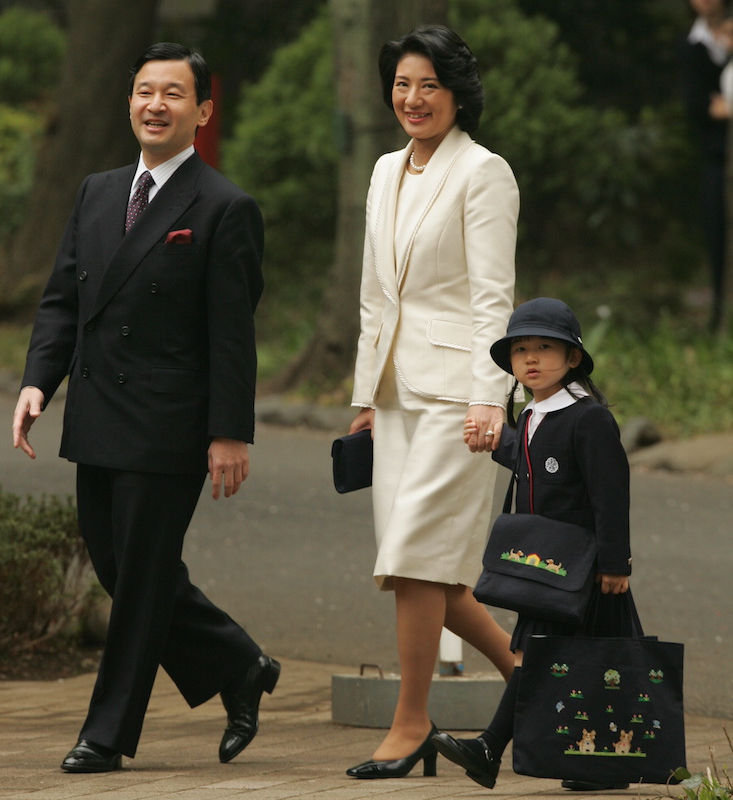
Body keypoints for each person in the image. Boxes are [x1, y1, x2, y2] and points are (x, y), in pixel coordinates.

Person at [11, 42, 279, 773]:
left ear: (203, 111)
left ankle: (106, 732)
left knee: (140, 582)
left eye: (172, 93)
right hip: (97, 412)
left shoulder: (225, 208)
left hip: (171, 424)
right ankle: (239, 663)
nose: (154, 104)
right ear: (129, 102)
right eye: (143, 91)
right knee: (122, 568)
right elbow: (65, 298)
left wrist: (229, 432)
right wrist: (40, 380)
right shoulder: (97, 191)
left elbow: (232, 335)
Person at [346, 25, 519, 779]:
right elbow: (372, 295)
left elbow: (494, 299)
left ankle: (412, 720)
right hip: (394, 394)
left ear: (456, 93)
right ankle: (530, 678)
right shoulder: (385, 170)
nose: (412, 99)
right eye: (402, 84)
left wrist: (491, 396)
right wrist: (364, 394)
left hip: (459, 398)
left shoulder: (485, 173)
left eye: (428, 85)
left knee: (414, 555)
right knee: (431, 571)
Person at [432, 297, 633, 793]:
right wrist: (493, 442)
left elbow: (611, 495)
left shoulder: (588, 418)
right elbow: (535, 463)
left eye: (545, 347)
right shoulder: (534, 414)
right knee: (593, 666)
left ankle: (488, 748)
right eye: (521, 350)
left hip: (582, 569)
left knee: (545, 658)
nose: (532, 359)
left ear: (573, 358)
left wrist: (614, 561)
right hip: (549, 567)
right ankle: (594, 768)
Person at [681, 0, 731, 332]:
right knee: (719, 238)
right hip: (718, 157)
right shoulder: (692, 45)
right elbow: (698, 106)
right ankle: (721, 320)